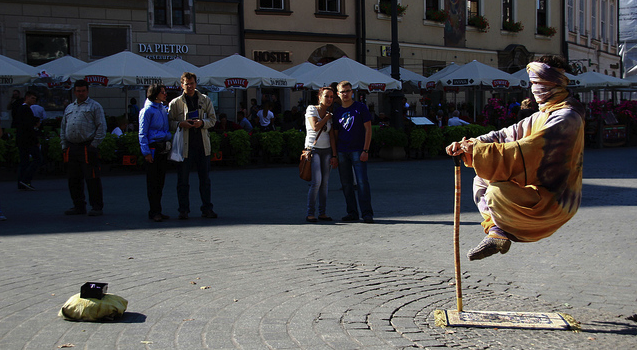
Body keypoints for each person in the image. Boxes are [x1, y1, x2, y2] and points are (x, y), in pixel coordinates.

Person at [445, 55, 585, 261]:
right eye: (533, 84)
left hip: (555, 199)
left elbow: (527, 149)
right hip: (537, 194)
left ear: (555, 83)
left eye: (539, 83)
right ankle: (497, 232)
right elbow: (504, 134)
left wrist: (477, 152)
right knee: (480, 181)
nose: (535, 89)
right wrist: (470, 144)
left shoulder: (567, 117)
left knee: (495, 192)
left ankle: (500, 230)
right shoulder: (542, 115)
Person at [168, 72, 217, 220]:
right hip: (184, 147)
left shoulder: (205, 100)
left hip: (202, 145)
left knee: (205, 180)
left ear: (196, 84)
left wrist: (202, 123)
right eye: (187, 84)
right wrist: (180, 124)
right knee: (182, 181)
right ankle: (183, 210)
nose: (190, 86)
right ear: (181, 85)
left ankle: (207, 208)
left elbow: (213, 120)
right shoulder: (175, 103)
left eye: (192, 83)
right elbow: (169, 123)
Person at [60, 80, 107, 216]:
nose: (81, 93)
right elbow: (63, 128)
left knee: (92, 178)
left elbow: (102, 127)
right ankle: (78, 205)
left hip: (87, 147)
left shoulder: (95, 106)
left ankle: (96, 206)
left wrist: (94, 145)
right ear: (75, 91)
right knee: (73, 179)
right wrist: (64, 145)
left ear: (87, 91)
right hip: (71, 147)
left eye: (83, 91)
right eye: (78, 91)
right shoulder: (69, 108)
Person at [333, 81, 374, 223]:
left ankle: (367, 213)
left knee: (362, 182)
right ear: (338, 94)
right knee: (346, 183)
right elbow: (335, 134)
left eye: (348, 91)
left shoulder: (360, 108)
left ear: (352, 92)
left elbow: (368, 129)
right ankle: (352, 212)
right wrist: (335, 153)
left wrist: (366, 149)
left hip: (358, 150)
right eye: (342, 92)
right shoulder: (337, 111)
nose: (345, 94)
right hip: (342, 151)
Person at [139, 84, 172, 222]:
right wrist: (146, 152)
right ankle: (154, 211)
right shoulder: (147, 111)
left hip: (162, 147)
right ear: (155, 94)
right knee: (153, 182)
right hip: (152, 147)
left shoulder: (163, 109)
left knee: (160, 181)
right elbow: (142, 132)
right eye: (162, 92)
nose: (165, 94)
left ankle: (158, 209)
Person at [305, 87, 338, 223]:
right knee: (317, 182)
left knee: (325, 183)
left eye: (331, 96)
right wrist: (326, 118)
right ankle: (310, 213)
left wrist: (334, 155)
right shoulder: (312, 109)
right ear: (319, 97)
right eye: (326, 96)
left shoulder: (330, 114)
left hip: (327, 151)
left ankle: (322, 213)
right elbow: (315, 127)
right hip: (314, 150)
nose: (329, 99)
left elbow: (331, 137)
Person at [16, 91, 42, 191]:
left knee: (24, 161)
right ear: (26, 97)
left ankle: (22, 182)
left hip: (22, 139)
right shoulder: (26, 109)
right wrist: (35, 140)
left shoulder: (21, 109)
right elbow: (28, 127)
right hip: (28, 140)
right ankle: (25, 179)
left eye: (35, 99)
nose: (34, 100)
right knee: (38, 158)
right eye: (32, 98)